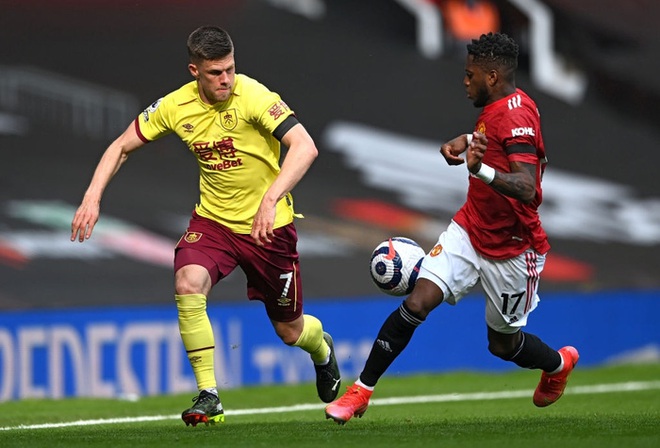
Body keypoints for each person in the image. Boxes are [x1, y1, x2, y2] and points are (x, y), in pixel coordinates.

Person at [70, 25, 341, 427]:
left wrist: (270, 199)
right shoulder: (174, 106)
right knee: (187, 282)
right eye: (216, 73)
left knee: (289, 329)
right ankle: (209, 395)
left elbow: (305, 146)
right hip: (213, 222)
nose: (226, 80)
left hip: (269, 229)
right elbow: (120, 146)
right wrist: (92, 197)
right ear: (194, 70)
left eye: (230, 69)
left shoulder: (255, 96)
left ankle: (322, 351)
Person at [325, 32, 578, 425]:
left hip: (514, 248)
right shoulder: (498, 105)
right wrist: (464, 141)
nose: (464, 81)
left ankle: (557, 364)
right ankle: (360, 392)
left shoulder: (517, 116)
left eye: (470, 74)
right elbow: (491, 139)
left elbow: (528, 188)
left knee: (503, 344)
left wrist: (480, 169)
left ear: (491, 76)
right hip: (469, 228)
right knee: (417, 302)